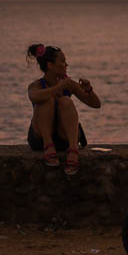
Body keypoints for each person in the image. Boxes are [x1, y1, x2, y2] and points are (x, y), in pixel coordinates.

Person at [26, 44, 101, 175]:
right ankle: (48, 145)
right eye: (63, 61)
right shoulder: (36, 85)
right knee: (46, 99)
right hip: (40, 140)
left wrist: (88, 89)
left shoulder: (69, 84)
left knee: (65, 101)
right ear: (50, 65)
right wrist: (58, 88)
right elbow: (33, 96)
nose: (66, 65)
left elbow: (95, 104)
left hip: (63, 139)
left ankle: (73, 150)